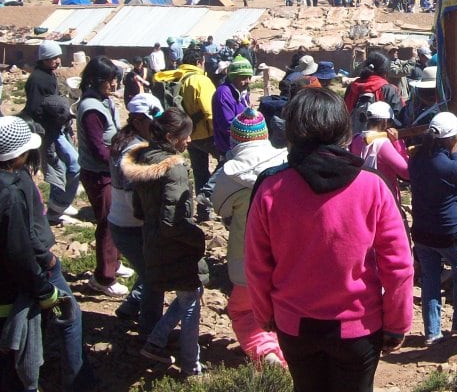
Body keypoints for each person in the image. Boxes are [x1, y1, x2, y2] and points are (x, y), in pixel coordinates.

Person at [244, 88, 413, 392]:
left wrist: (265, 314)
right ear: (344, 131)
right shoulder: (371, 186)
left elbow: (257, 263)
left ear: (292, 133)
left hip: (294, 325)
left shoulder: (270, 187)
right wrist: (397, 323)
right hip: (359, 328)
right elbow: (399, 266)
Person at [0, 116, 95, 392]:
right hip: (10, 292)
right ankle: (79, 383)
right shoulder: (8, 194)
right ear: (18, 155)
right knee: (22, 361)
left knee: (5, 357)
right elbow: (18, 251)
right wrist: (43, 288)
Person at [122, 108, 208, 377]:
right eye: (185, 136)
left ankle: (156, 342)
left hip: (152, 238)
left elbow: (138, 206)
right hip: (174, 245)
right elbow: (174, 221)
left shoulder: (144, 157)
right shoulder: (175, 168)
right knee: (191, 299)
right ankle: (191, 365)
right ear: (171, 137)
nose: (189, 141)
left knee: (188, 296)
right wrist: (197, 238)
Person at [212, 110, 286, 367]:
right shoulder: (285, 160)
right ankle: (287, 352)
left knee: (244, 310)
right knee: (284, 305)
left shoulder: (229, 175)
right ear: (265, 134)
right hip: (288, 251)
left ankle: (265, 352)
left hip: (246, 254)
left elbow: (219, 208)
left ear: (235, 139)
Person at [409, 111, 457, 345]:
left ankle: (432, 331)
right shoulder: (450, 166)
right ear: (451, 139)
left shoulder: (417, 159)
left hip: (421, 229)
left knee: (430, 278)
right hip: (447, 230)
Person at [108, 93, 166, 335]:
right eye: (155, 120)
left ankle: (131, 307)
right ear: (140, 120)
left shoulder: (128, 140)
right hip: (131, 225)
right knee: (155, 277)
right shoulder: (135, 149)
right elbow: (134, 188)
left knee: (149, 269)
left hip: (124, 221)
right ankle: (150, 331)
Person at [76, 56, 131, 296]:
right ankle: (103, 277)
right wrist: (122, 157)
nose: (114, 85)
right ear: (99, 80)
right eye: (111, 80)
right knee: (107, 223)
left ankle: (114, 263)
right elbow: (99, 150)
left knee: (115, 218)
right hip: (99, 174)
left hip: (109, 171)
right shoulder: (90, 109)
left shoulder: (103, 101)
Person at [155, 46, 217, 220]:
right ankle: (213, 197)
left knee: (199, 171)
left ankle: (203, 211)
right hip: (206, 134)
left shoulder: (177, 77)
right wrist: (218, 134)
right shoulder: (200, 80)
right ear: (199, 62)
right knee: (227, 161)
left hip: (187, 135)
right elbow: (210, 111)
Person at [23, 40, 80, 222]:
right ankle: (57, 208)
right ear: (44, 59)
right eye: (53, 58)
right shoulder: (38, 80)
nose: (57, 60)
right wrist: (56, 111)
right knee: (62, 166)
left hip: (57, 128)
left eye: (58, 57)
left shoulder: (48, 75)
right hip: (48, 131)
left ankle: (59, 202)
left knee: (71, 164)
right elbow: (35, 108)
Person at [349, 101, 408, 207]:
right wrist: (398, 143)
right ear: (385, 122)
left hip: (363, 196)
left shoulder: (356, 138)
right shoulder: (383, 143)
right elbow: (406, 172)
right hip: (384, 199)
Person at [212, 56, 253, 161]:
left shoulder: (242, 92)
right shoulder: (224, 94)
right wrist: (252, 132)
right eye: (244, 77)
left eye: (249, 77)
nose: (248, 81)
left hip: (242, 145)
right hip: (229, 148)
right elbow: (228, 126)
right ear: (233, 77)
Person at [343, 51, 404, 119]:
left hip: (353, 128)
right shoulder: (390, 89)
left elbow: (345, 111)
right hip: (380, 128)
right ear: (384, 71)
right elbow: (399, 116)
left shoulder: (352, 87)